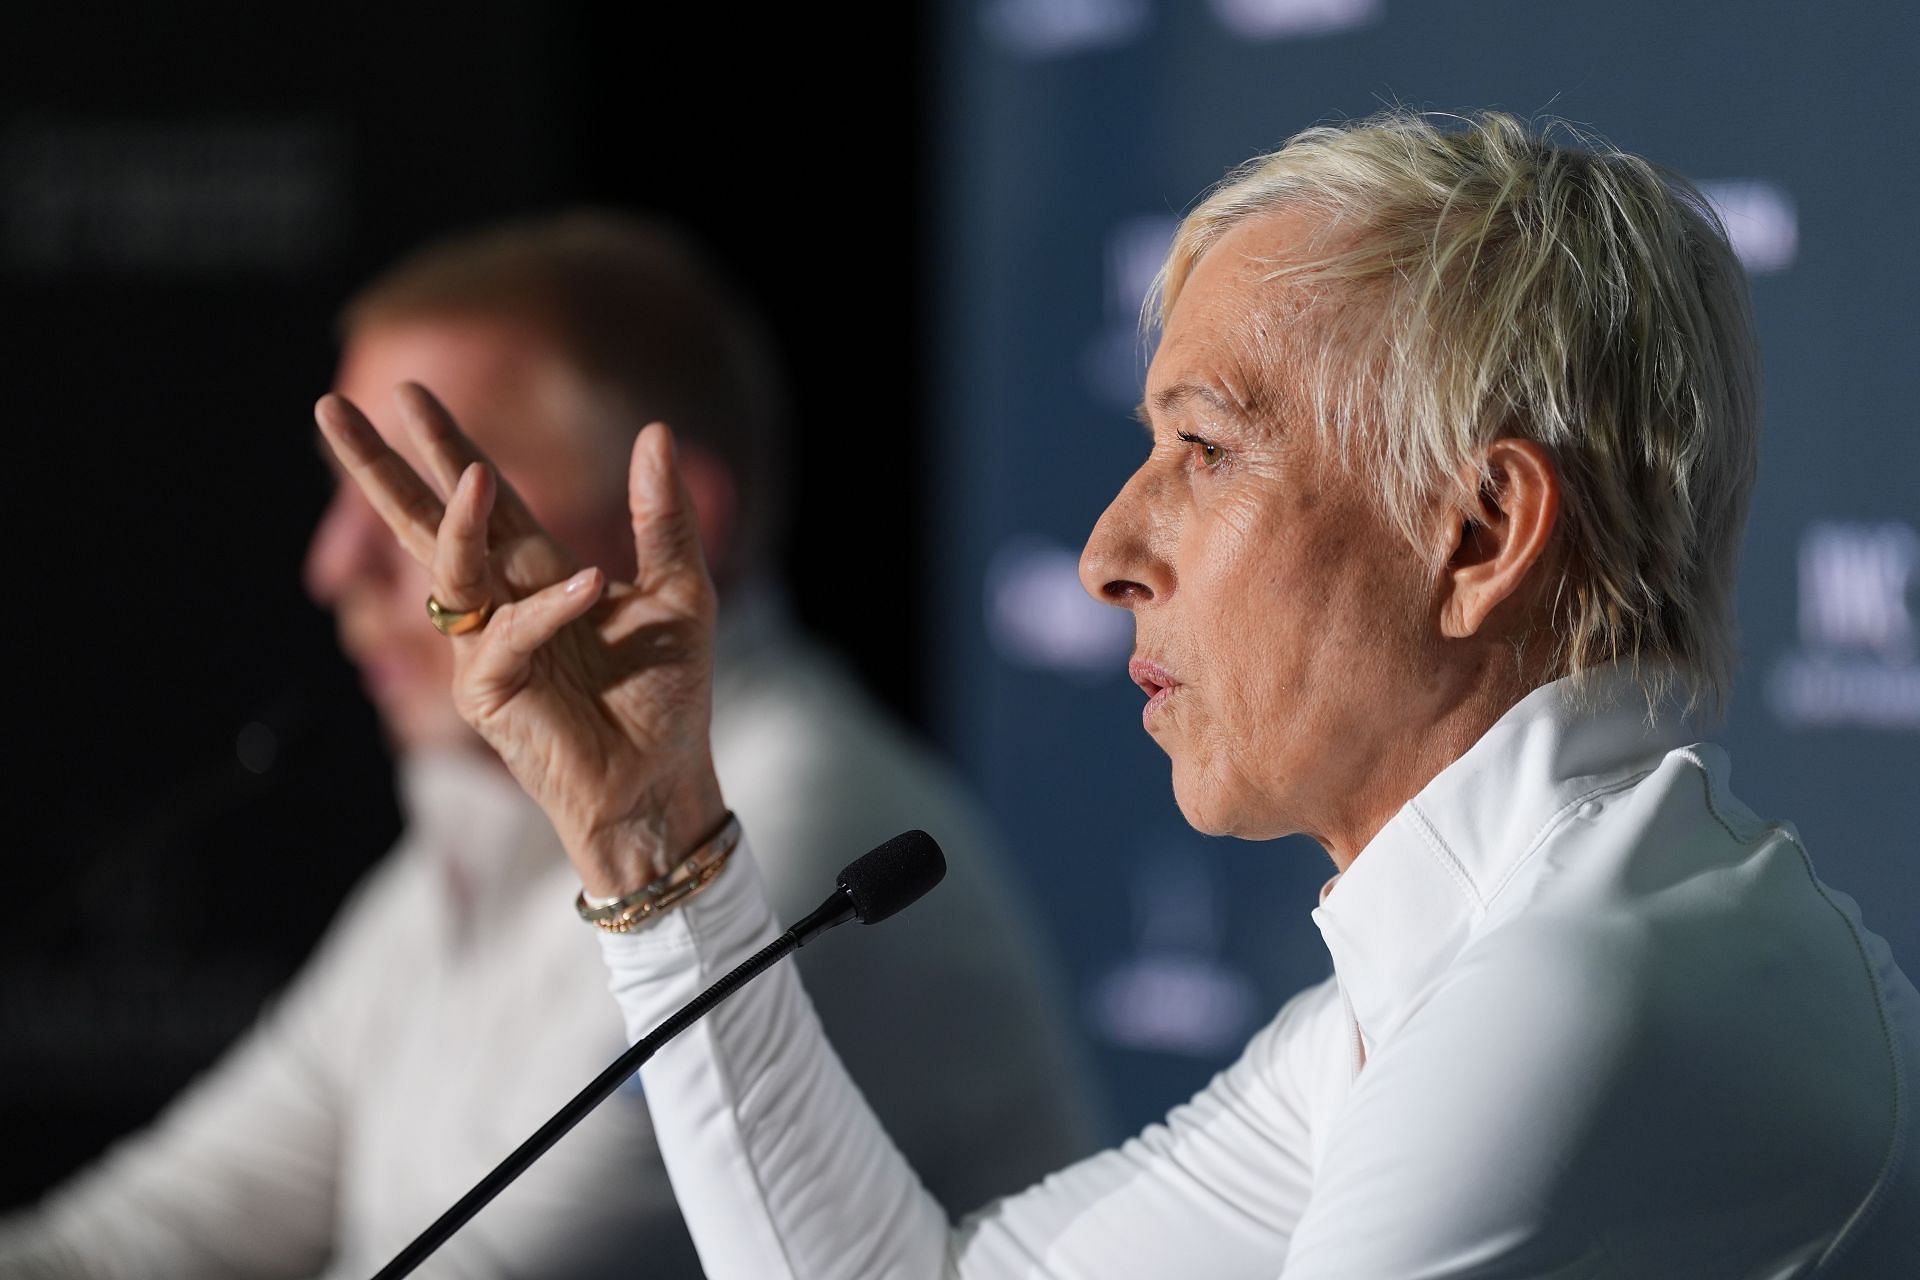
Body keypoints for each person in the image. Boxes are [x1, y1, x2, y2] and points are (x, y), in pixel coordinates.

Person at [313, 110, 1920, 1276]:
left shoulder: (1567, 999)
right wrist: (648, 842)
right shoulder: (1453, 981)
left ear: (1481, 533)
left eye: (1204, 453)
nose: (1105, 552)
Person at [0, 215, 1096, 1278]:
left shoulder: (793, 829)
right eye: (347, 494)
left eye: (422, 499)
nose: (334, 565)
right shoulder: (473, 833)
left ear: (667, 520)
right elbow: (143, 1234)